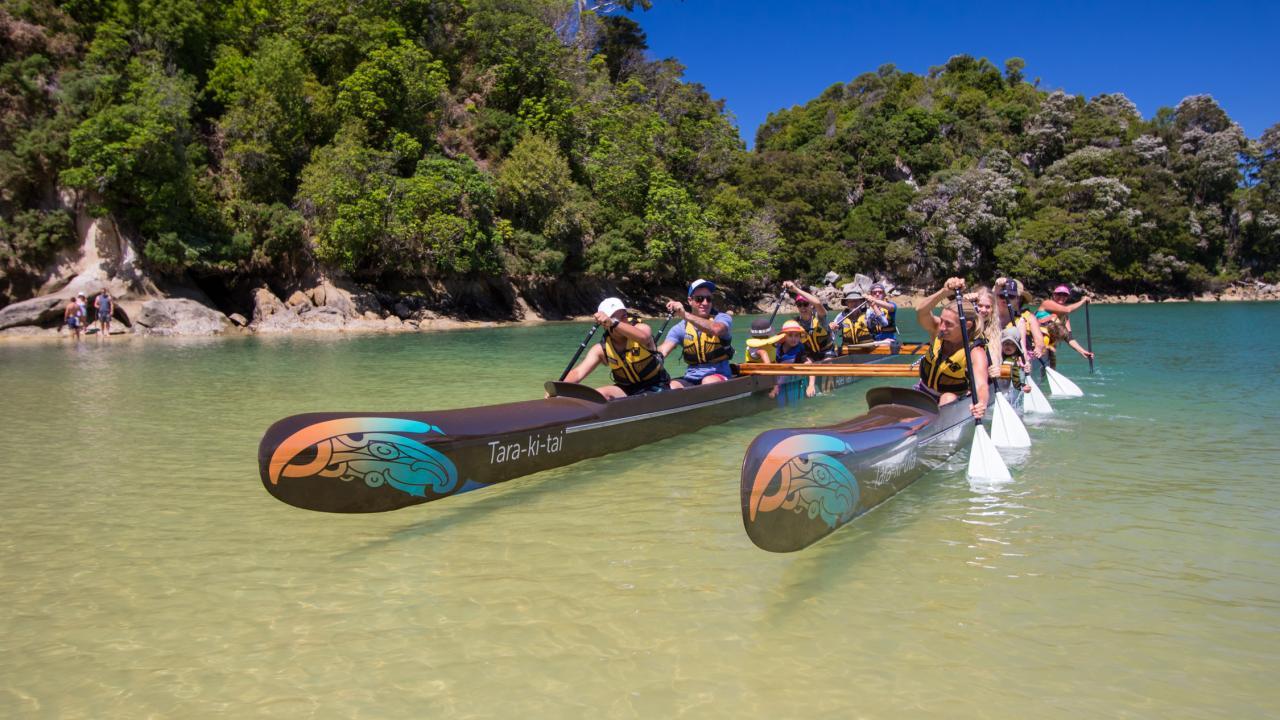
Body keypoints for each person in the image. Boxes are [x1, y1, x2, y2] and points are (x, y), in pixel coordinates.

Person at [560, 298, 670, 399]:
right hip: (626, 389)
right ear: (604, 324)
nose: (623, 320)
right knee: (598, 395)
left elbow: (644, 338)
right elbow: (578, 373)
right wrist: (558, 389)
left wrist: (614, 322)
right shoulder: (601, 349)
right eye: (614, 318)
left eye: (624, 316)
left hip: (656, 384)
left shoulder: (642, 328)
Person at [914, 277, 990, 419]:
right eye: (941, 320)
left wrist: (981, 403)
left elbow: (981, 386)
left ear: (966, 326)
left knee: (948, 397)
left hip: (952, 401)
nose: (942, 327)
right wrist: (944, 292)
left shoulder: (975, 351)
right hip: (923, 393)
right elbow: (921, 311)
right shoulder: (937, 329)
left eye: (948, 324)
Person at [659, 279, 734, 388]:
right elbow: (663, 351)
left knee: (708, 382)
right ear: (690, 300)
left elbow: (716, 329)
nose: (705, 303)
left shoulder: (722, 318)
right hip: (691, 377)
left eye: (709, 299)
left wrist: (685, 315)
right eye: (699, 299)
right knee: (670, 386)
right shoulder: (680, 328)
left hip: (719, 375)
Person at [1036, 284, 1096, 368]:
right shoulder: (1047, 303)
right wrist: (1083, 300)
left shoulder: (1064, 316)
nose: (1061, 296)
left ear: (1067, 297)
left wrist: (1082, 351)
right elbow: (1068, 309)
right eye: (1059, 294)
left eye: (1065, 295)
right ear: (1054, 295)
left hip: (1049, 349)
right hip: (1036, 346)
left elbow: (1069, 338)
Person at [994, 277, 1045, 361]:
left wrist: (1038, 348)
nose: (1005, 299)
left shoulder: (1027, 317)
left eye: (1011, 296)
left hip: (1020, 356)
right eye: (1002, 296)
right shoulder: (990, 316)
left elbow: (1039, 340)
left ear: (1018, 299)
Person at [781, 280, 833, 360]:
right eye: (799, 305)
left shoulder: (820, 317)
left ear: (811, 305)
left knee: (827, 363)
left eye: (805, 304)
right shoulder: (796, 323)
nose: (802, 308)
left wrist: (795, 289)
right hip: (809, 355)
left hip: (827, 352)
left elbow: (818, 303)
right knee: (805, 364)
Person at [768, 319, 817, 398]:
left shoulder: (799, 350)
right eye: (790, 335)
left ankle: (775, 389)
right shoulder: (778, 346)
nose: (794, 338)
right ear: (784, 336)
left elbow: (809, 366)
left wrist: (811, 385)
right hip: (778, 375)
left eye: (796, 335)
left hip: (787, 374)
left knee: (808, 361)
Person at [998, 327, 1034, 394]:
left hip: (1002, 386)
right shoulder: (996, 354)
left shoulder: (1011, 361)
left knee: (1007, 365)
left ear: (1017, 348)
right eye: (1006, 343)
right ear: (1001, 344)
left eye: (1012, 344)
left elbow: (1015, 380)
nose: (1008, 346)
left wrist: (1022, 386)